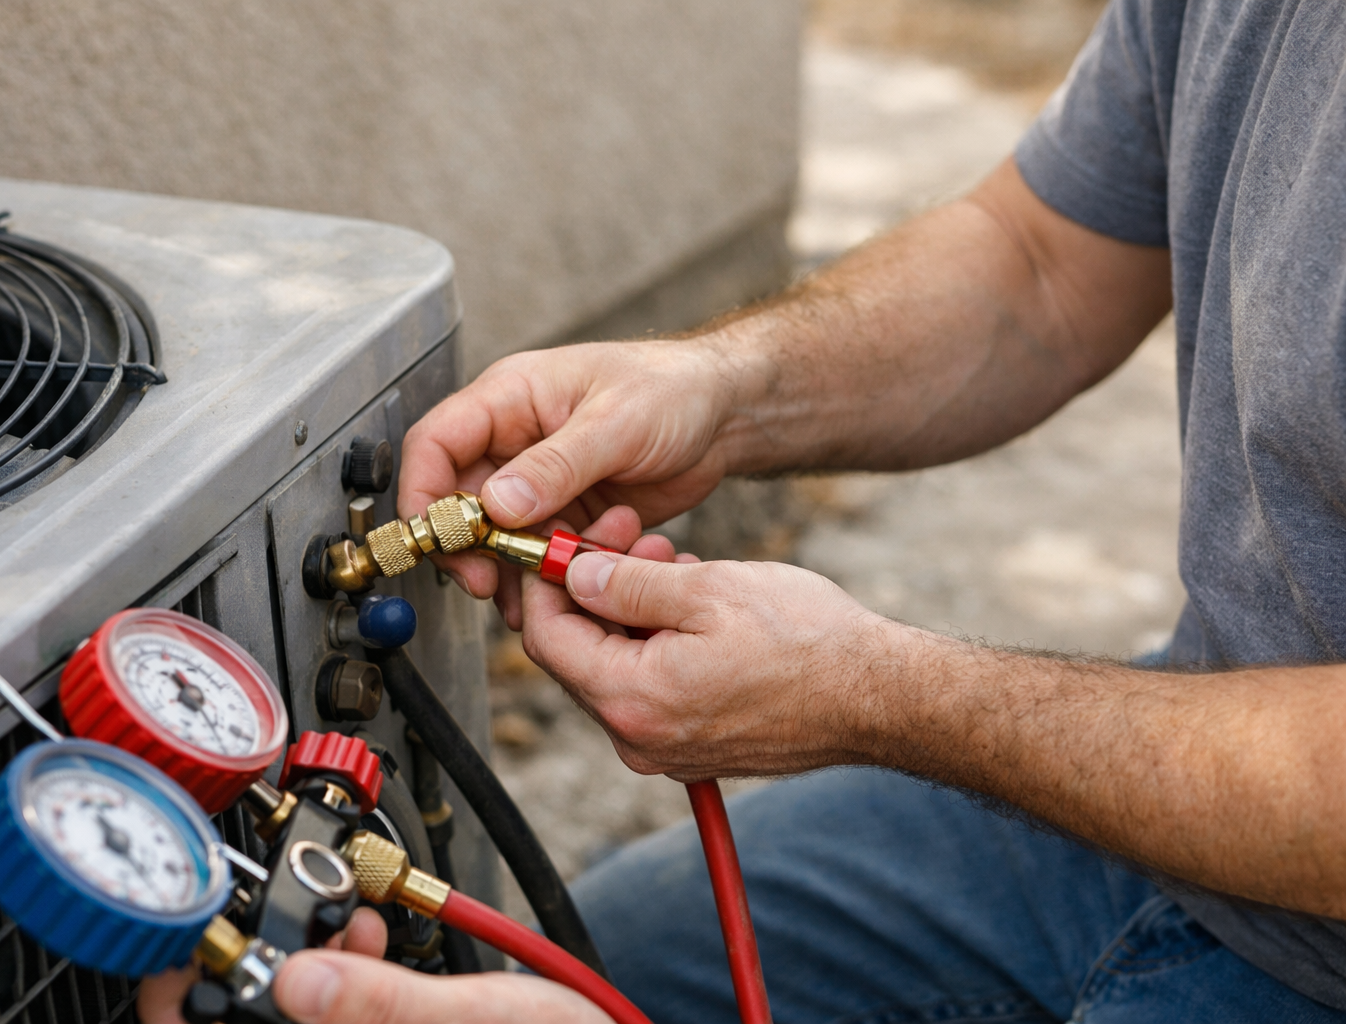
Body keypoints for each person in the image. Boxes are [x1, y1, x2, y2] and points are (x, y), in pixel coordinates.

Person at [141, 1, 1346, 1020]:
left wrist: (870, 690)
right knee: (591, 952)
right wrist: (718, 388)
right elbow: (1040, 264)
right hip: (1177, 792)